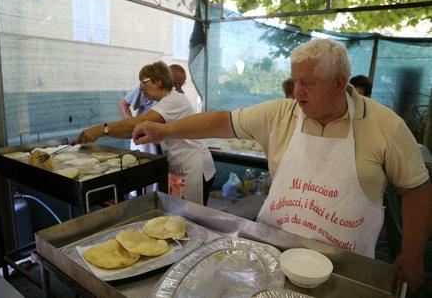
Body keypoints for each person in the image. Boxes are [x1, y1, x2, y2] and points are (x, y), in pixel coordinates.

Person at [132, 39, 432, 290]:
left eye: (308, 84)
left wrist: (412, 256)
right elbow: (222, 121)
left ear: (340, 83)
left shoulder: (386, 126)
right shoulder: (281, 114)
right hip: (274, 251)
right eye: (296, 81)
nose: (297, 92)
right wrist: (164, 130)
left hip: (346, 266)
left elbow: (416, 189)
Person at [76, 61, 215, 206]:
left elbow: (138, 126)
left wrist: (101, 130)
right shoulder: (161, 102)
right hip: (180, 165)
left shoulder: (174, 101)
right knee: (178, 212)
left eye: (143, 83)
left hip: (194, 167)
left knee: (191, 215)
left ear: (158, 82)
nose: (141, 89)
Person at [118, 64, 188, 154]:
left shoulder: (176, 97)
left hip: (162, 141)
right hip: (146, 141)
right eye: (175, 84)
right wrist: (132, 126)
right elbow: (124, 104)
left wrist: (104, 130)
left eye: (181, 85)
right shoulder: (144, 89)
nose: (176, 88)